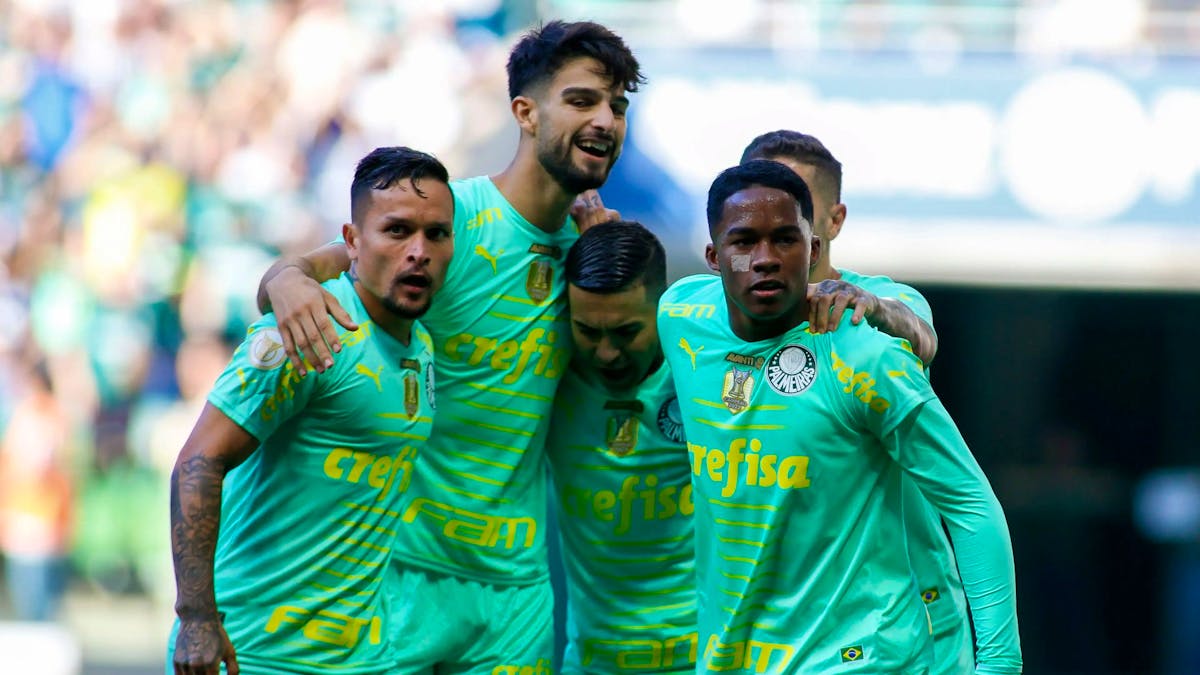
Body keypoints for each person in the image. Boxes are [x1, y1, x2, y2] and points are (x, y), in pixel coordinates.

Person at [255, 21, 644, 672]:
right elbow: (305, 273)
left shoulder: (594, 258)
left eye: (617, 106)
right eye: (582, 101)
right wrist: (284, 278)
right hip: (402, 575)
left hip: (518, 591)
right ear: (525, 111)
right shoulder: (448, 221)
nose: (604, 120)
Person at [656, 160, 1021, 672]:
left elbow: (970, 503)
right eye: (744, 242)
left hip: (861, 655)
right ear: (714, 257)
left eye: (785, 239)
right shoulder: (678, 317)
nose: (765, 259)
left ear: (815, 250)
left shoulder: (864, 354)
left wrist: (1001, 663)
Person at [167, 146, 452, 675]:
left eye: (437, 234)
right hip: (254, 655)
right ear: (351, 242)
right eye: (396, 231)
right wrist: (197, 619)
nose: (419, 251)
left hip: (362, 660)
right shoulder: (304, 329)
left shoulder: (422, 345)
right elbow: (198, 462)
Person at [741, 130, 973, 672]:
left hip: (910, 626)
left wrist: (876, 310)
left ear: (834, 221)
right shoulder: (700, 316)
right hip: (785, 631)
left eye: (795, 199)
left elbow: (919, 333)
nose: (773, 208)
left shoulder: (876, 311)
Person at [547, 221, 695, 673]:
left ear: (663, 310)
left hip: (705, 660)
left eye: (627, 332)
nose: (607, 352)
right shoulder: (549, 377)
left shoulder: (702, 371)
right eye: (588, 331)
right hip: (590, 663)